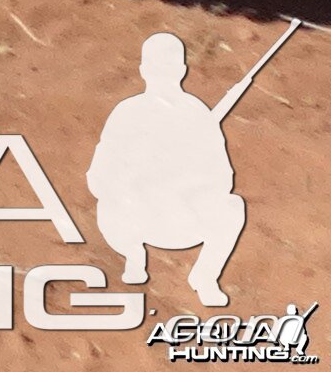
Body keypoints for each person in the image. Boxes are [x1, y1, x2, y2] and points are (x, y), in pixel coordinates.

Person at [90, 30, 254, 306]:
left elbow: (223, 177)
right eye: (156, 67)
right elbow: (98, 177)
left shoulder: (197, 113)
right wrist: (133, 182)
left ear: (181, 70)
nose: (162, 74)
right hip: (136, 216)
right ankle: (133, 257)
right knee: (109, 206)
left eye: (168, 66)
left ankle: (204, 276)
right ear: (144, 70)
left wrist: (187, 179)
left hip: (182, 217)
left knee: (232, 207)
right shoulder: (126, 113)